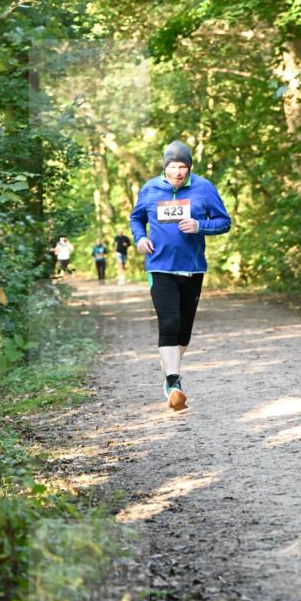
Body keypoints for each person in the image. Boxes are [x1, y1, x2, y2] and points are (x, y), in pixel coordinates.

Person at [129, 140, 231, 411]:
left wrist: (199, 225)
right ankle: (173, 383)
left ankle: (170, 369)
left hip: (192, 267)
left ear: (190, 168)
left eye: (183, 167)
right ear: (165, 167)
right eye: (173, 167)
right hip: (159, 266)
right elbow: (136, 218)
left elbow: (224, 222)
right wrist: (140, 238)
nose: (178, 172)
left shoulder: (204, 188)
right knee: (169, 322)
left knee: (184, 331)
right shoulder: (150, 188)